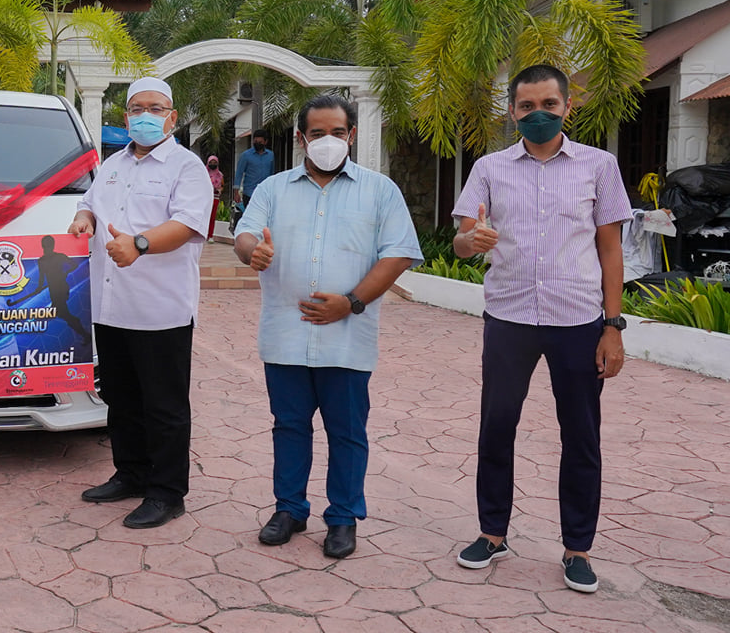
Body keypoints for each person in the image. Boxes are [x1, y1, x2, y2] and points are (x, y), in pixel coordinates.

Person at [450, 64, 628, 594]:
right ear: (512, 111)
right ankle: (492, 533)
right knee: (497, 425)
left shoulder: (599, 166)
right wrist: (471, 241)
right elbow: (462, 239)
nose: (538, 114)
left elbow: (610, 249)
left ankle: (578, 549)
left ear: (568, 107)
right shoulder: (489, 168)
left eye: (549, 104)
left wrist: (613, 326)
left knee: (581, 435)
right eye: (527, 106)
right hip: (509, 317)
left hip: (578, 320)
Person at [234, 94, 422, 558]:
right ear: (301, 138)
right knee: (289, 427)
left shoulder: (380, 191)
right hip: (286, 334)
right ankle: (289, 509)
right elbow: (246, 235)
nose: (328, 141)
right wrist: (252, 252)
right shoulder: (273, 189)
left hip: (347, 338)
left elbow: (398, 253)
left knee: (347, 432)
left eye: (337, 132)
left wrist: (351, 302)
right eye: (317, 133)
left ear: (351, 135)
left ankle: (342, 518)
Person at [70, 76, 216, 528]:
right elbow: (91, 204)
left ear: (172, 118)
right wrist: (83, 217)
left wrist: (139, 244)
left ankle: (167, 492)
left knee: (164, 406)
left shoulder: (186, 167)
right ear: (126, 116)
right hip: (110, 304)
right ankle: (130, 473)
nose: (145, 116)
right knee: (121, 397)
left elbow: (188, 224)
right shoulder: (114, 164)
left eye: (155, 109)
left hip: (160, 309)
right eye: (137, 109)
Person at [236, 131, 276, 214]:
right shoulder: (246, 155)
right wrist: (236, 192)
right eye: (255, 141)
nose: (257, 144)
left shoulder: (270, 155)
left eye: (260, 142)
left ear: (265, 142)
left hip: (265, 194)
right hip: (249, 193)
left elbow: (272, 174)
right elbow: (239, 173)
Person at [206, 153, 225, 234]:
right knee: (205, 216)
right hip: (205, 197)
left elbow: (222, 185)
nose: (213, 164)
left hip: (215, 197)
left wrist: (219, 190)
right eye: (211, 162)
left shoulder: (220, 175)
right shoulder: (204, 173)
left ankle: (210, 235)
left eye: (215, 162)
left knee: (212, 217)